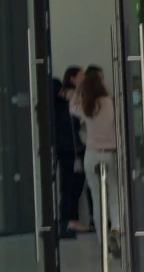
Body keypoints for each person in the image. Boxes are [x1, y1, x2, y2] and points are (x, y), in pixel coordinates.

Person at [73, 66, 121, 255]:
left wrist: (78, 88)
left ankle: (103, 243)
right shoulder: (111, 103)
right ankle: (116, 227)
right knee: (115, 193)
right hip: (111, 153)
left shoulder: (85, 105)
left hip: (92, 155)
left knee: (97, 197)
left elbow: (71, 106)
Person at [52, 66, 85, 238]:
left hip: (70, 148)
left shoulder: (62, 104)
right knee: (68, 187)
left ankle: (70, 220)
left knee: (72, 186)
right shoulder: (60, 104)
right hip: (68, 149)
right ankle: (67, 221)